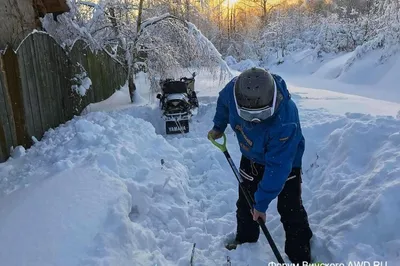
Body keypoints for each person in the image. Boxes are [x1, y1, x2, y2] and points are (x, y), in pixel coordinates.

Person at [207, 67, 313, 264]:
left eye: (262, 114)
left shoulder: (285, 120)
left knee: (290, 209)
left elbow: (278, 167)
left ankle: (301, 256)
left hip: (287, 162)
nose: (255, 121)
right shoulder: (231, 92)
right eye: (248, 115)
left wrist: (261, 203)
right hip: (250, 157)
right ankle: (246, 241)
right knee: (245, 203)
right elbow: (223, 104)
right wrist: (218, 126)